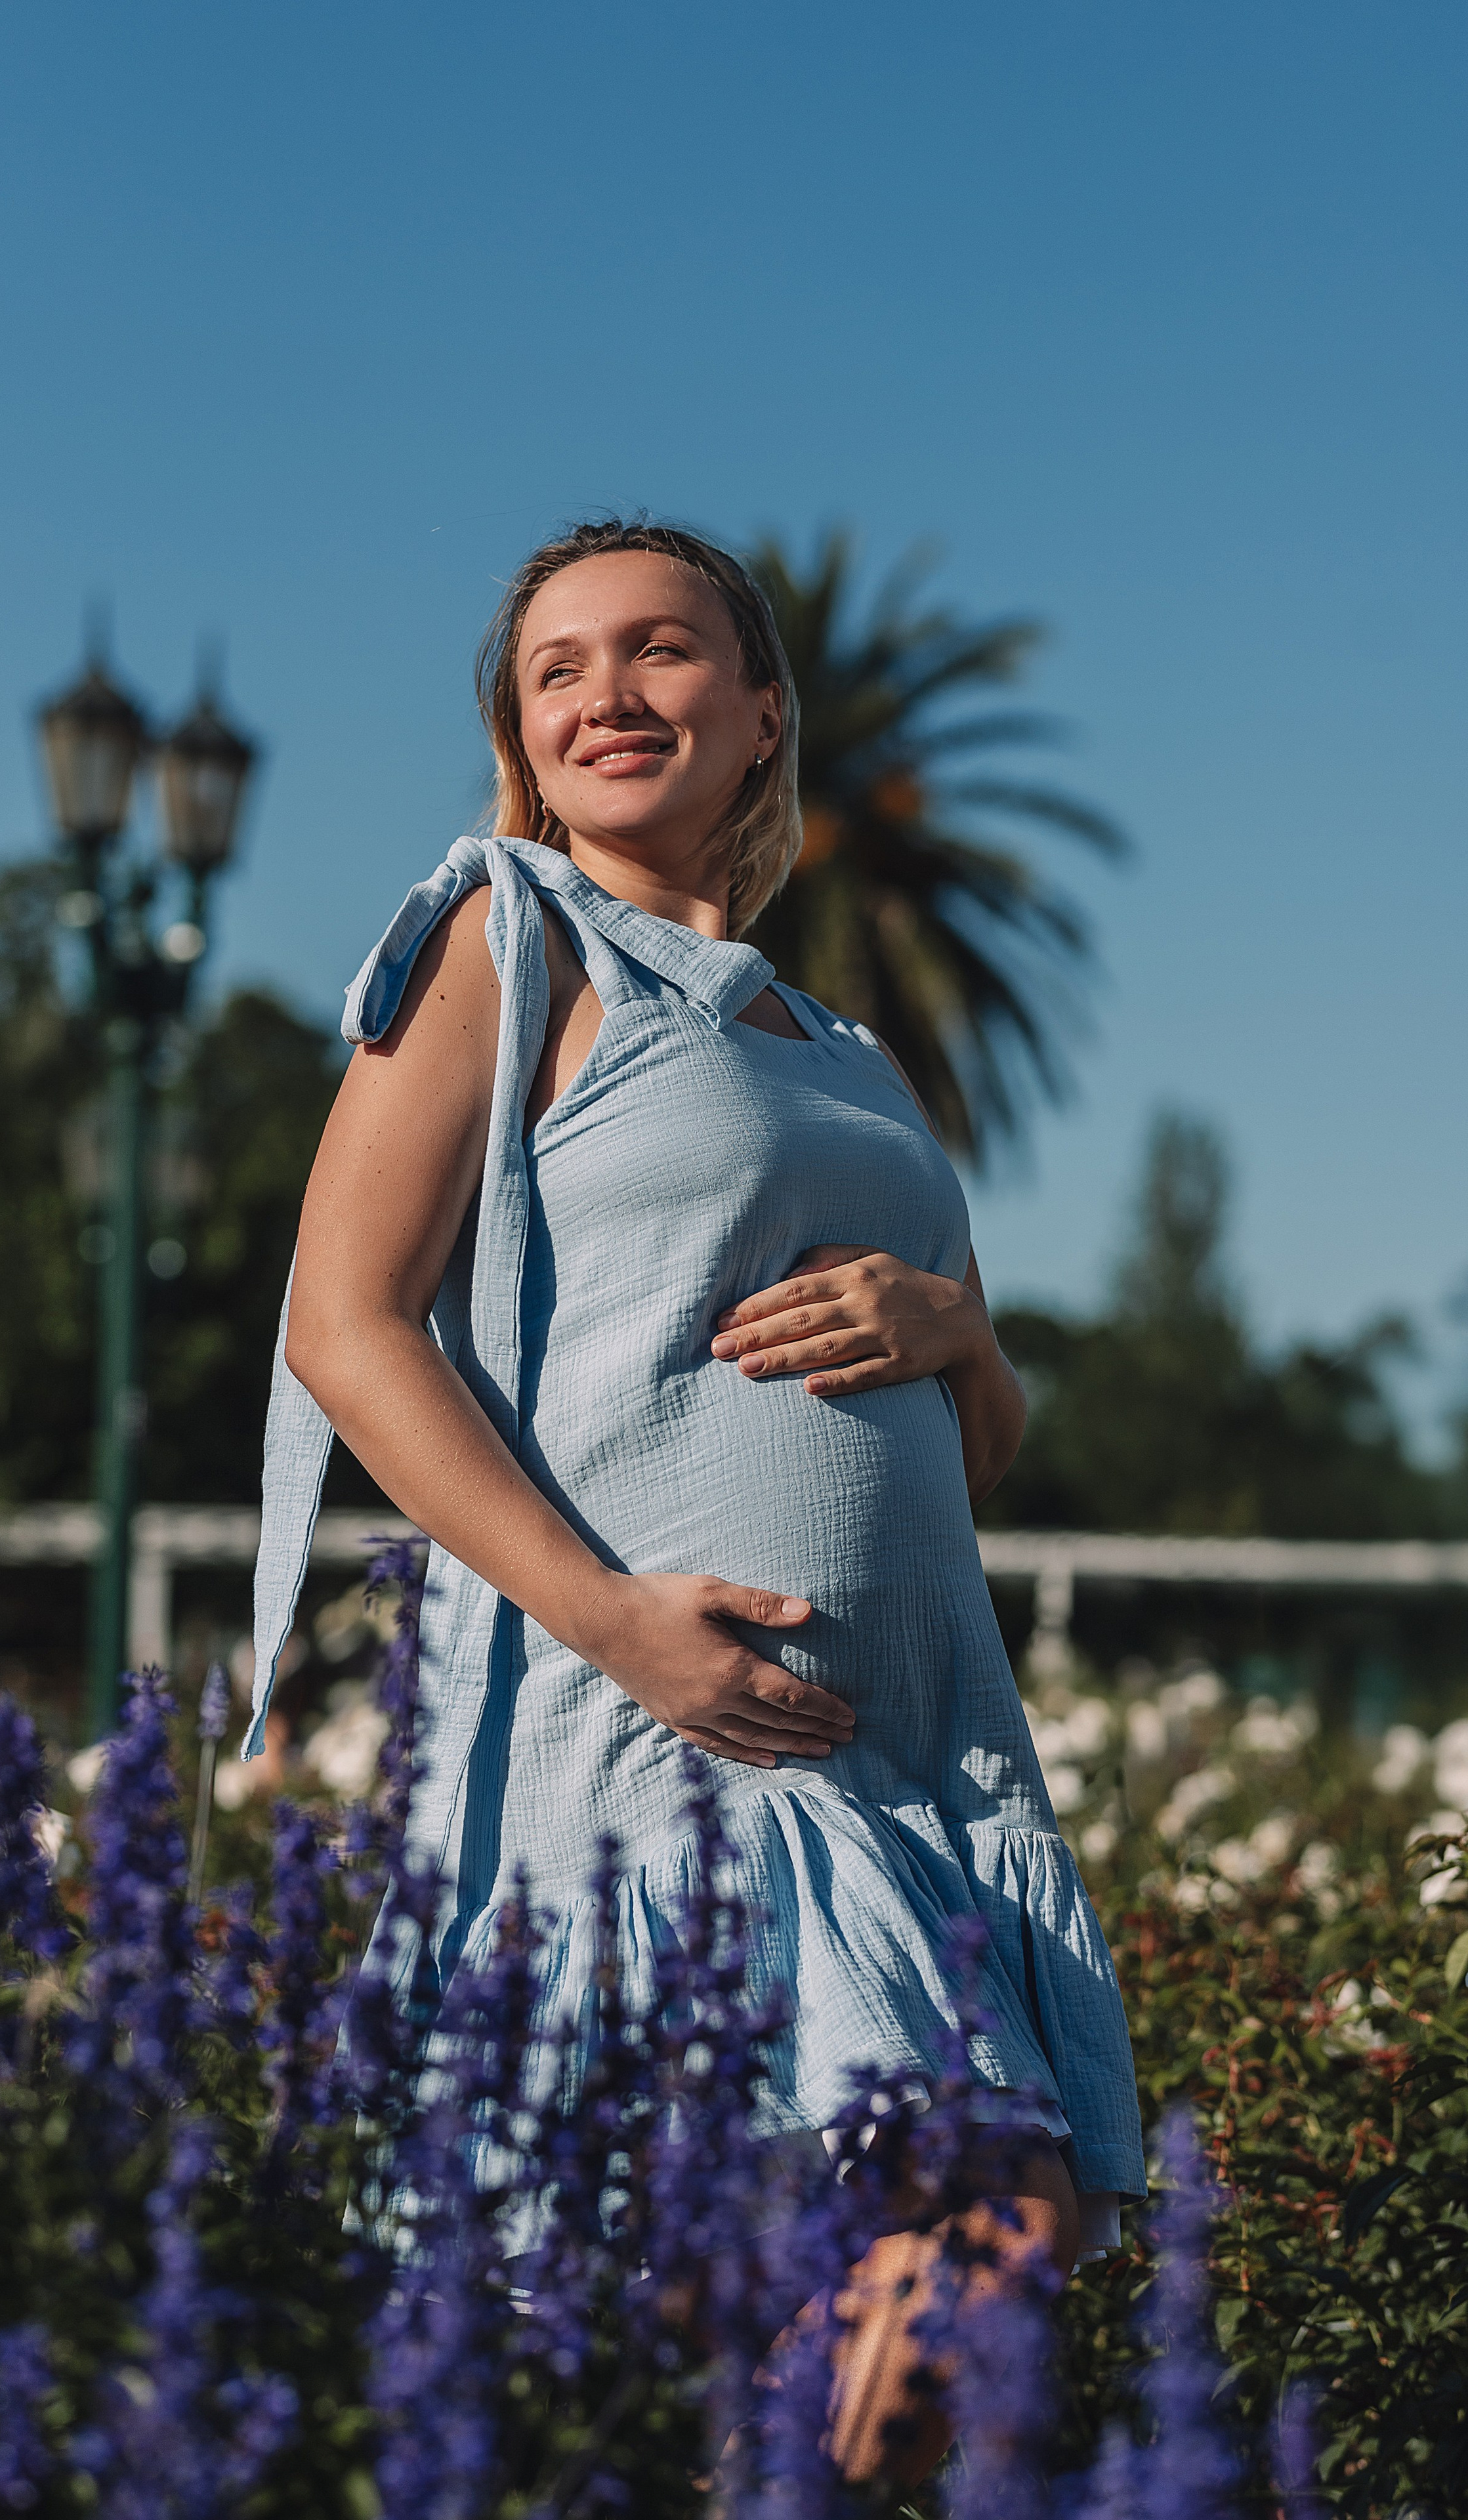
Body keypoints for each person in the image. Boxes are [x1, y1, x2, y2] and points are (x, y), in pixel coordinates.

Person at [251, 516, 1145, 2488]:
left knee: (916, 2337)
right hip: (657, 1753)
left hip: (911, 1765)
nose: (607, 693)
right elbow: (343, 1322)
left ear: (760, 719)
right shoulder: (506, 937)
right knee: (847, 2312)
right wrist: (610, 1616)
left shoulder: (855, 1059)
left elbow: (970, 1460)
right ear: (518, 736)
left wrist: (961, 1337)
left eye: (661, 652)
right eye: (558, 669)